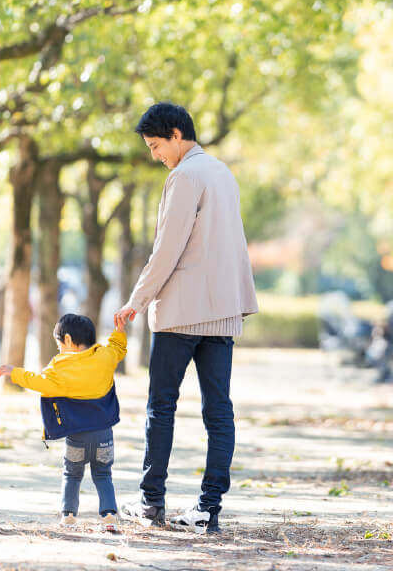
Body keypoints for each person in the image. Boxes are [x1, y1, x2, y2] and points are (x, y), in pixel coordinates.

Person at [113, 102, 258, 534]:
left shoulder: (184, 176)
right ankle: (208, 509)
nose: (155, 155)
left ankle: (151, 501)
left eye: (156, 145)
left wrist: (136, 300)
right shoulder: (221, 173)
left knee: (162, 407)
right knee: (219, 412)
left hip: (181, 315)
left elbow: (168, 248)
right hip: (223, 314)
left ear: (177, 134)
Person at [0, 314, 126, 531]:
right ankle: (110, 516)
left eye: (58, 343)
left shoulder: (60, 368)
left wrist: (15, 373)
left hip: (77, 437)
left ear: (67, 339)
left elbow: (38, 382)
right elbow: (118, 347)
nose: (58, 348)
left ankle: (68, 516)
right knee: (103, 474)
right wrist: (120, 329)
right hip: (104, 435)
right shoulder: (105, 357)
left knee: (72, 474)